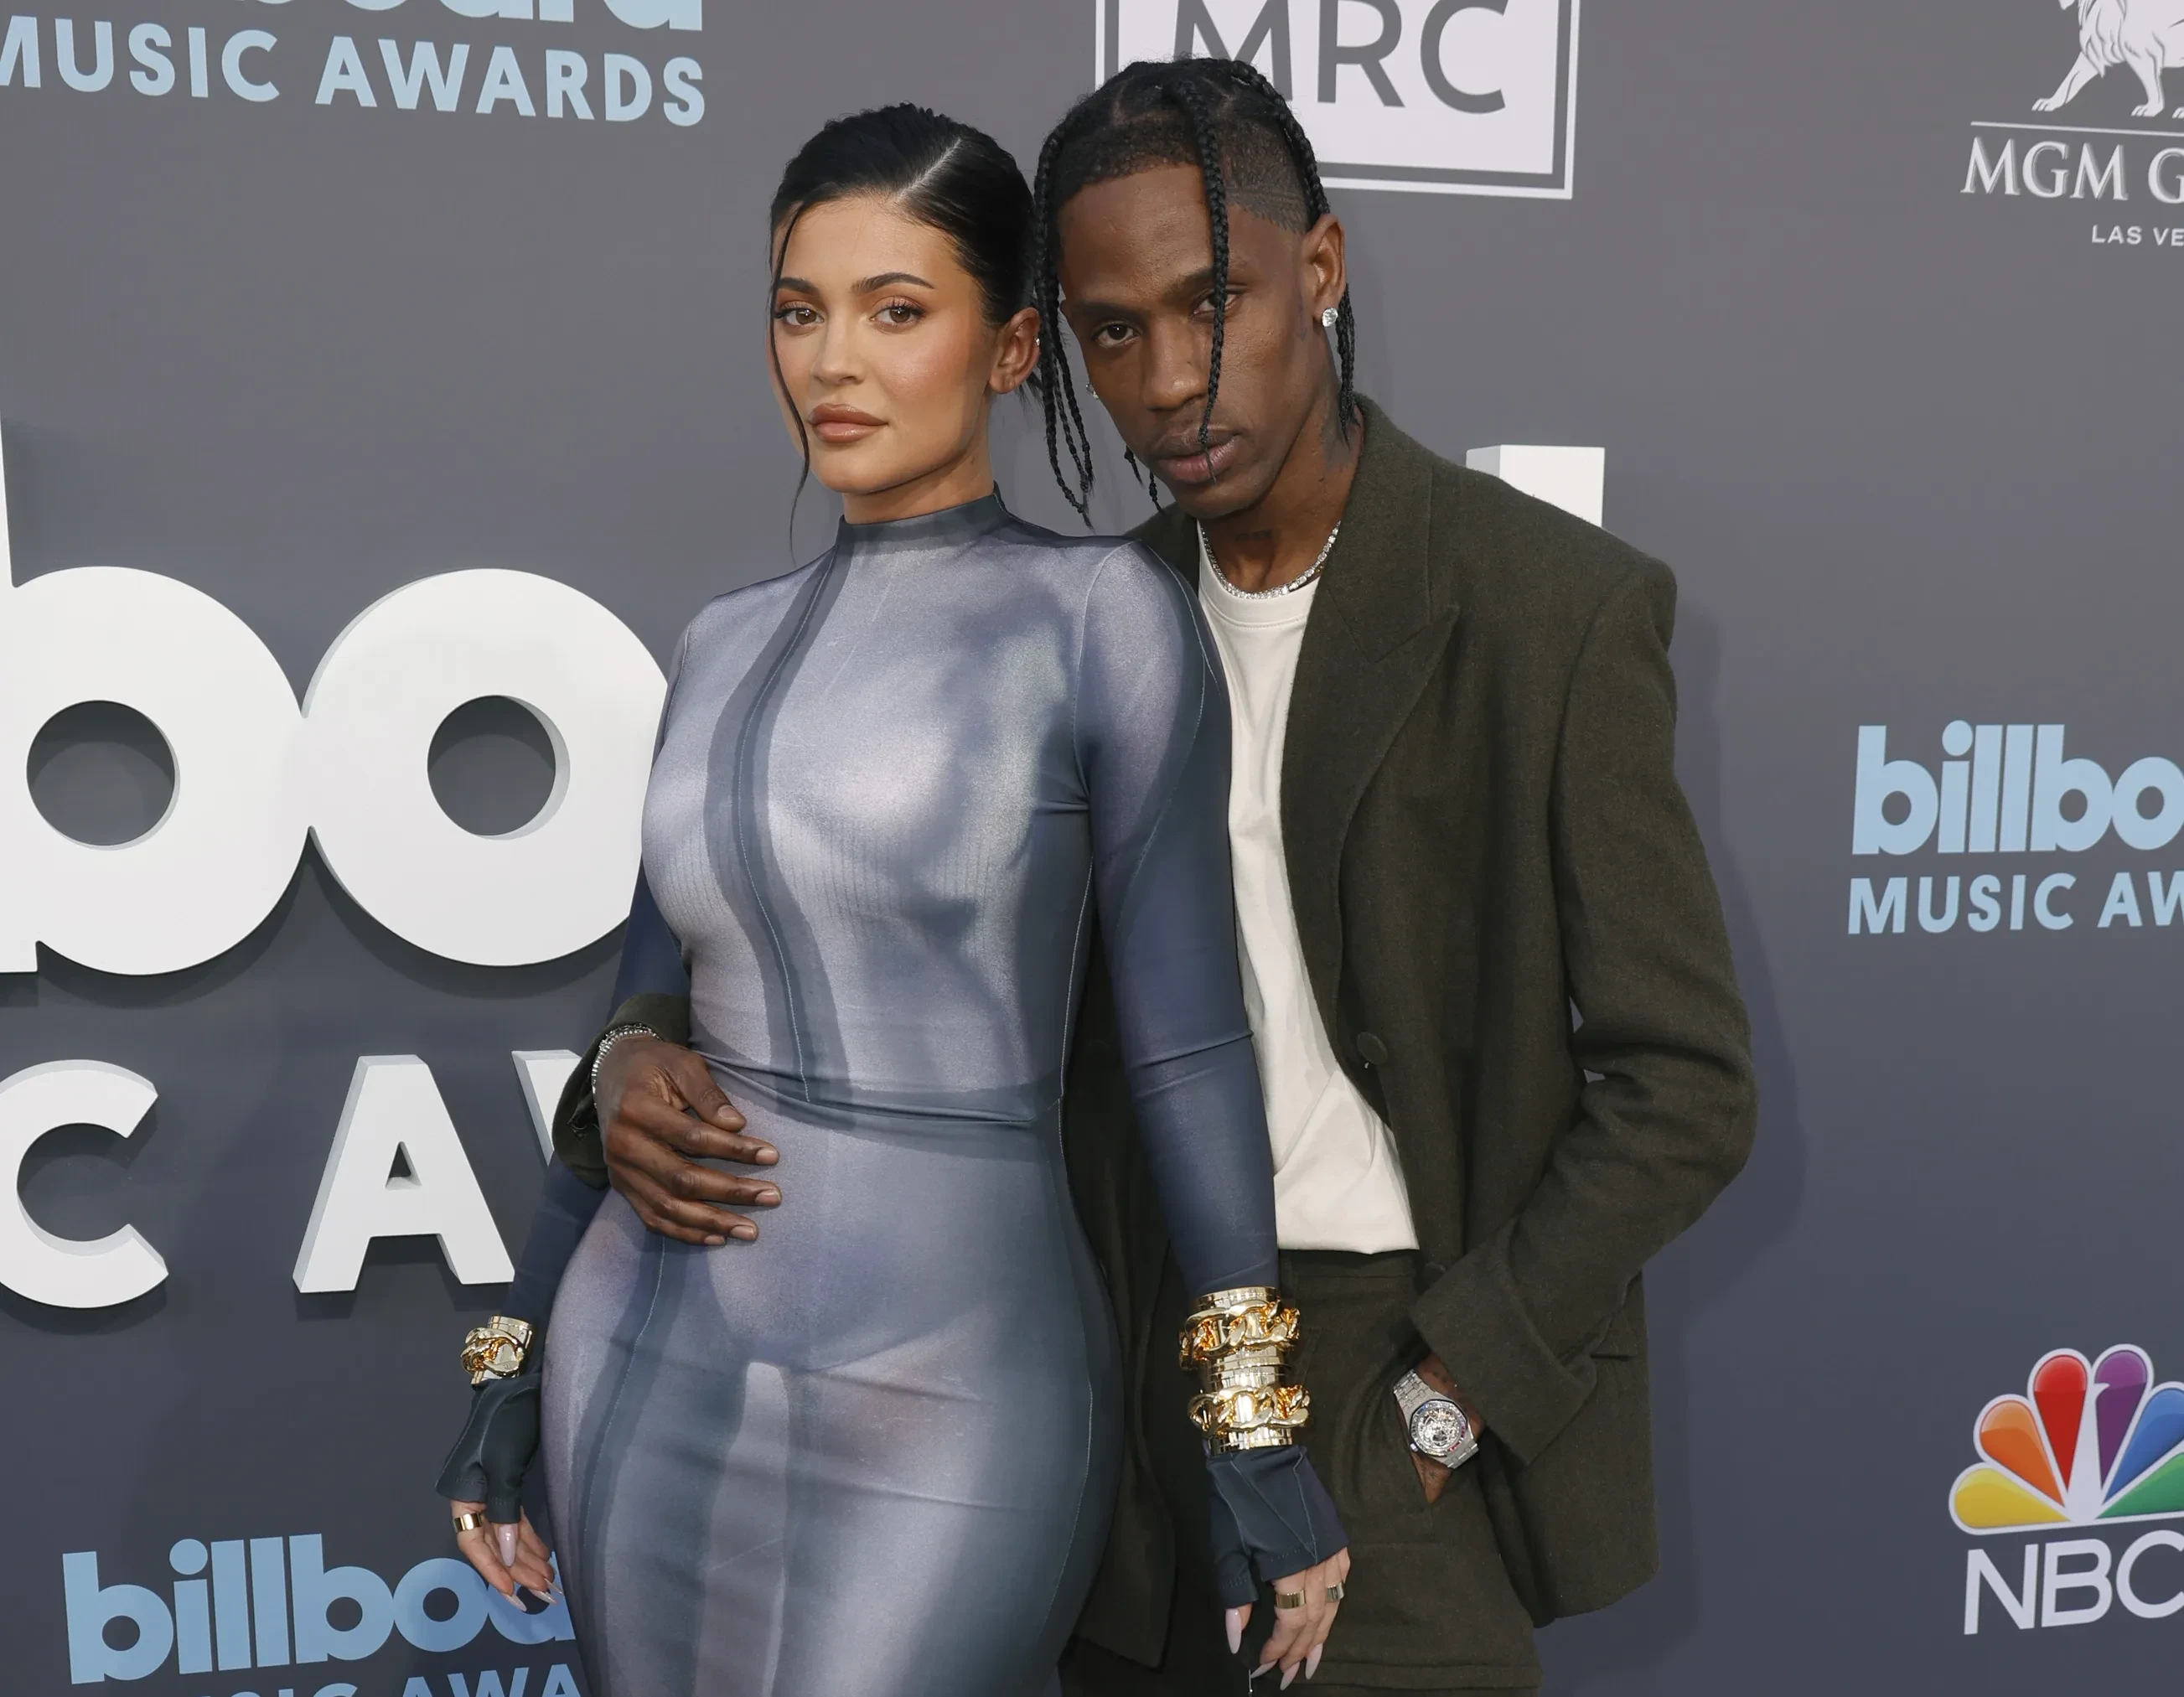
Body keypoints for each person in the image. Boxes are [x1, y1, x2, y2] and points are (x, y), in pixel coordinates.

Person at [597, 56, 1762, 1697]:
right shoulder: (1078, 616)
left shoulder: (1542, 609)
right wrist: (631, 1044)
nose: (1164, 381)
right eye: (1110, 331)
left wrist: (1447, 1395)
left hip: (1383, 1367)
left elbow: (1683, 1083)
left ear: (1321, 271)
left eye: (1211, 304)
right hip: (1096, 1364)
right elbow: (805, 905)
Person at [430, 102, 1351, 1697]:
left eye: (895, 311)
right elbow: (639, 1015)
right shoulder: (718, 641)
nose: (832, 363)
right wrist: (509, 1358)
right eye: (800, 313)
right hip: (645, 1353)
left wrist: (1250, 1425)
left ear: (1010, 350)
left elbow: (1189, 1054)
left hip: (955, 1387)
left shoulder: (1099, 621)